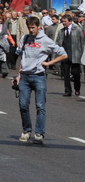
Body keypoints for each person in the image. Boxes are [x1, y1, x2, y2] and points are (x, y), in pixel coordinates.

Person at [15, 16, 67, 144]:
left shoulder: (45, 40)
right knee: (23, 105)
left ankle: (39, 133)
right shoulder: (25, 38)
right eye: (29, 28)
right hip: (25, 77)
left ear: (38, 27)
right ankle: (26, 130)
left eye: (33, 27)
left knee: (40, 106)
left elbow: (64, 54)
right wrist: (19, 74)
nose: (31, 30)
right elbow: (22, 57)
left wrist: (49, 63)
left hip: (39, 76)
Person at [52, 12, 83, 97]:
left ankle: (77, 88)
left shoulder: (77, 29)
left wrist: (82, 54)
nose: (63, 23)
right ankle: (67, 91)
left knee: (75, 73)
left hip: (75, 54)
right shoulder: (61, 31)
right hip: (64, 55)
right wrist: (55, 55)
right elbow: (58, 43)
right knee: (65, 74)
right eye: (62, 21)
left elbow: (82, 43)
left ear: (70, 21)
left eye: (65, 21)